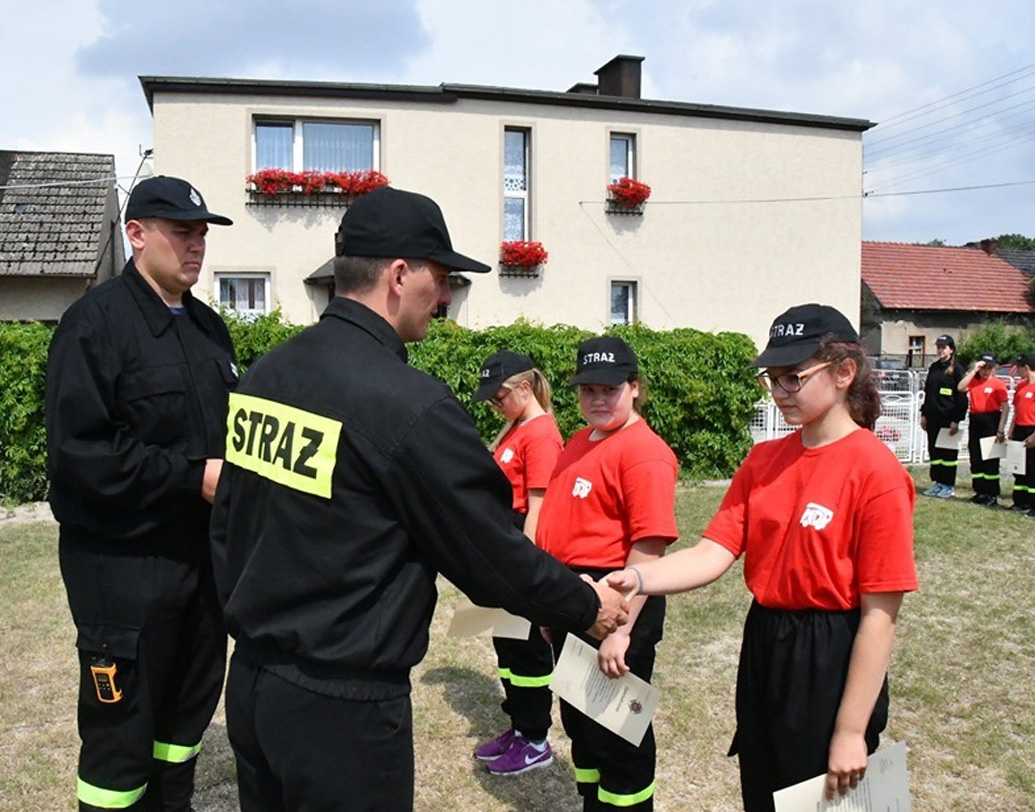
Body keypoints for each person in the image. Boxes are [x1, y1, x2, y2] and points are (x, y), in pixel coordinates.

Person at [209, 186, 629, 812]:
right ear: (400, 275)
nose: (449, 294)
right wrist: (583, 604)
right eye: (443, 276)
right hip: (342, 711)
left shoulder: (267, 375)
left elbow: (230, 520)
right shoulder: (412, 407)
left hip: (251, 685)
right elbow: (490, 557)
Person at [606, 303, 918, 812]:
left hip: (830, 649)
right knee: (766, 786)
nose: (778, 393)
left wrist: (849, 731)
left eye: (793, 378)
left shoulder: (876, 472)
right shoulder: (764, 459)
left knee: (826, 797)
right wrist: (639, 576)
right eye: (772, 379)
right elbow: (713, 552)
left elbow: (880, 616)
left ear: (844, 373)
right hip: (767, 639)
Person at [45, 176, 236, 812]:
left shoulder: (212, 331)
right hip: (122, 568)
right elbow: (81, 458)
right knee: (120, 736)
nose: (196, 246)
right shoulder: (93, 325)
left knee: (184, 724)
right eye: (182, 232)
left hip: (201, 563)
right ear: (136, 234)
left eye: (202, 234)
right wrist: (191, 476)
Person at [537, 336, 679, 812]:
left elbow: (649, 546)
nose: (597, 399)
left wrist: (622, 632)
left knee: (618, 730)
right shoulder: (579, 441)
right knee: (581, 721)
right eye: (588, 389)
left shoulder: (644, 451)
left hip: (617, 599)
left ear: (634, 388)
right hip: (573, 599)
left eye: (610, 389)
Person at [470, 351, 564, 775]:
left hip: (520, 546)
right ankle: (519, 725)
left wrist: (527, 571)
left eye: (501, 396)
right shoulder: (517, 428)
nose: (496, 405)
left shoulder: (541, 435)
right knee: (506, 644)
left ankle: (535, 738)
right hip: (501, 547)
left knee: (526, 650)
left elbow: (540, 507)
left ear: (525, 388)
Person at [920, 334, 968, 498]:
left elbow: (962, 397)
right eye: (939, 347)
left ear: (951, 349)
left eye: (944, 347)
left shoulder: (957, 369)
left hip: (948, 418)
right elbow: (928, 393)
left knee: (947, 454)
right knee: (935, 452)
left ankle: (948, 484)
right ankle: (938, 482)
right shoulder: (934, 367)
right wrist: (924, 414)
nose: (940, 350)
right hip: (933, 417)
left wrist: (956, 419)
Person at [958, 353, 1009, 506]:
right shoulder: (974, 381)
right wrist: (973, 371)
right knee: (976, 458)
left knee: (990, 460)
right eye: (983, 368)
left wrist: (1000, 430)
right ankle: (979, 491)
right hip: (975, 420)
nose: (986, 372)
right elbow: (960, 387)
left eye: (989, 368)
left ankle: (991, 494)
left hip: (991, 421)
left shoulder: (998, 384)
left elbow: (1005, 408)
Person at [1004, 353, 1035, 515]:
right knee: (1019, 468)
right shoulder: (1021, 386)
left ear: (1027, 368)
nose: (1017, 371)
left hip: (1032, 430)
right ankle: (1020, 501)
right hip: (1020, 429)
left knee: (1032, 469)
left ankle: (1033, 504)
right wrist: (1010, 431)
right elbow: (1016, 411)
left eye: (1019, 368)